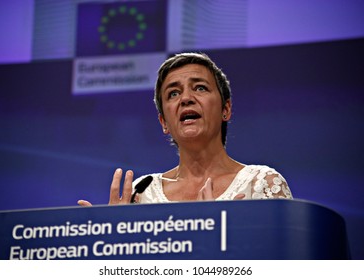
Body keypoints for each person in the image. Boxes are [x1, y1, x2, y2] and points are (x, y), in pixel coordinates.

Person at [78, 52, 292, 206]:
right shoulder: (139, 194)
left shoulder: (262, 184)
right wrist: (108, 240)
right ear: (164, 123)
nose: (186, 99)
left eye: (200, 88)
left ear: (225, 109)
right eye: (173, 93)